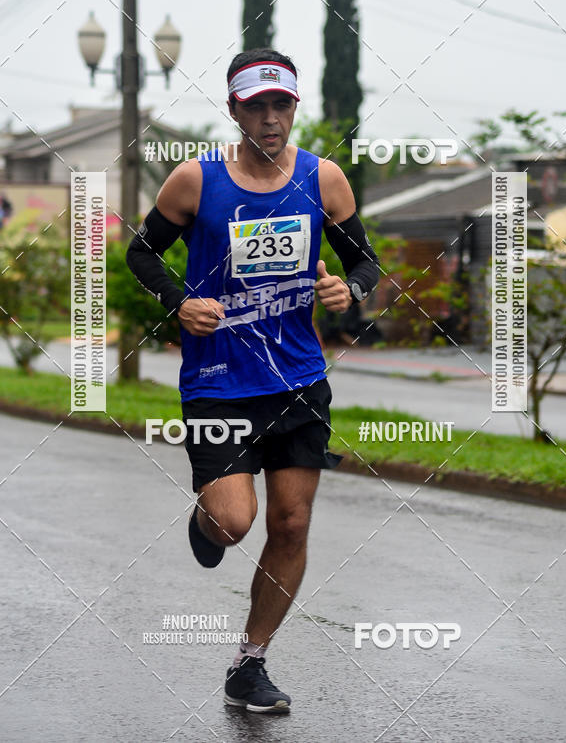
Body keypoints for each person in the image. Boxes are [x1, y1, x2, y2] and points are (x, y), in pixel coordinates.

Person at [126, 47, 379, 713]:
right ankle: (207, 522)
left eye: (281, 104)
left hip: (298, 379)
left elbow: (364, 264)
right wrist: (178, 301)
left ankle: (250, 662)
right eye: (256, 105)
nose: (270, 117)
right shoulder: (195, 180)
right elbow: (141, 252)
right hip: (218, 382)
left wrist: (348, 290)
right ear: (235, 110)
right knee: (235, 520)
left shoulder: (323, 179)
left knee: (291, 523)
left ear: (294, 107)